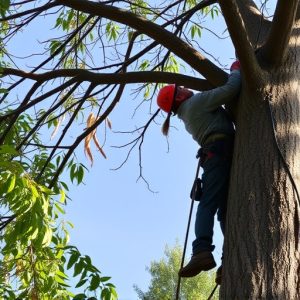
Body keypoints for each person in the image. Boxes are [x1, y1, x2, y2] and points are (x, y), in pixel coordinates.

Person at [156, 61, 241, 282]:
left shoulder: (187, 111)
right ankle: (202, 250)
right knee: (209, 205)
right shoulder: (196, 103)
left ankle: (228, 259)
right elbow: (230, 90)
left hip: (217, 155)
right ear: (178, 97)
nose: (185, 88)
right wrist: (236, 71)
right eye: (180, 88)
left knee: (223, 211)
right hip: (219, 153)